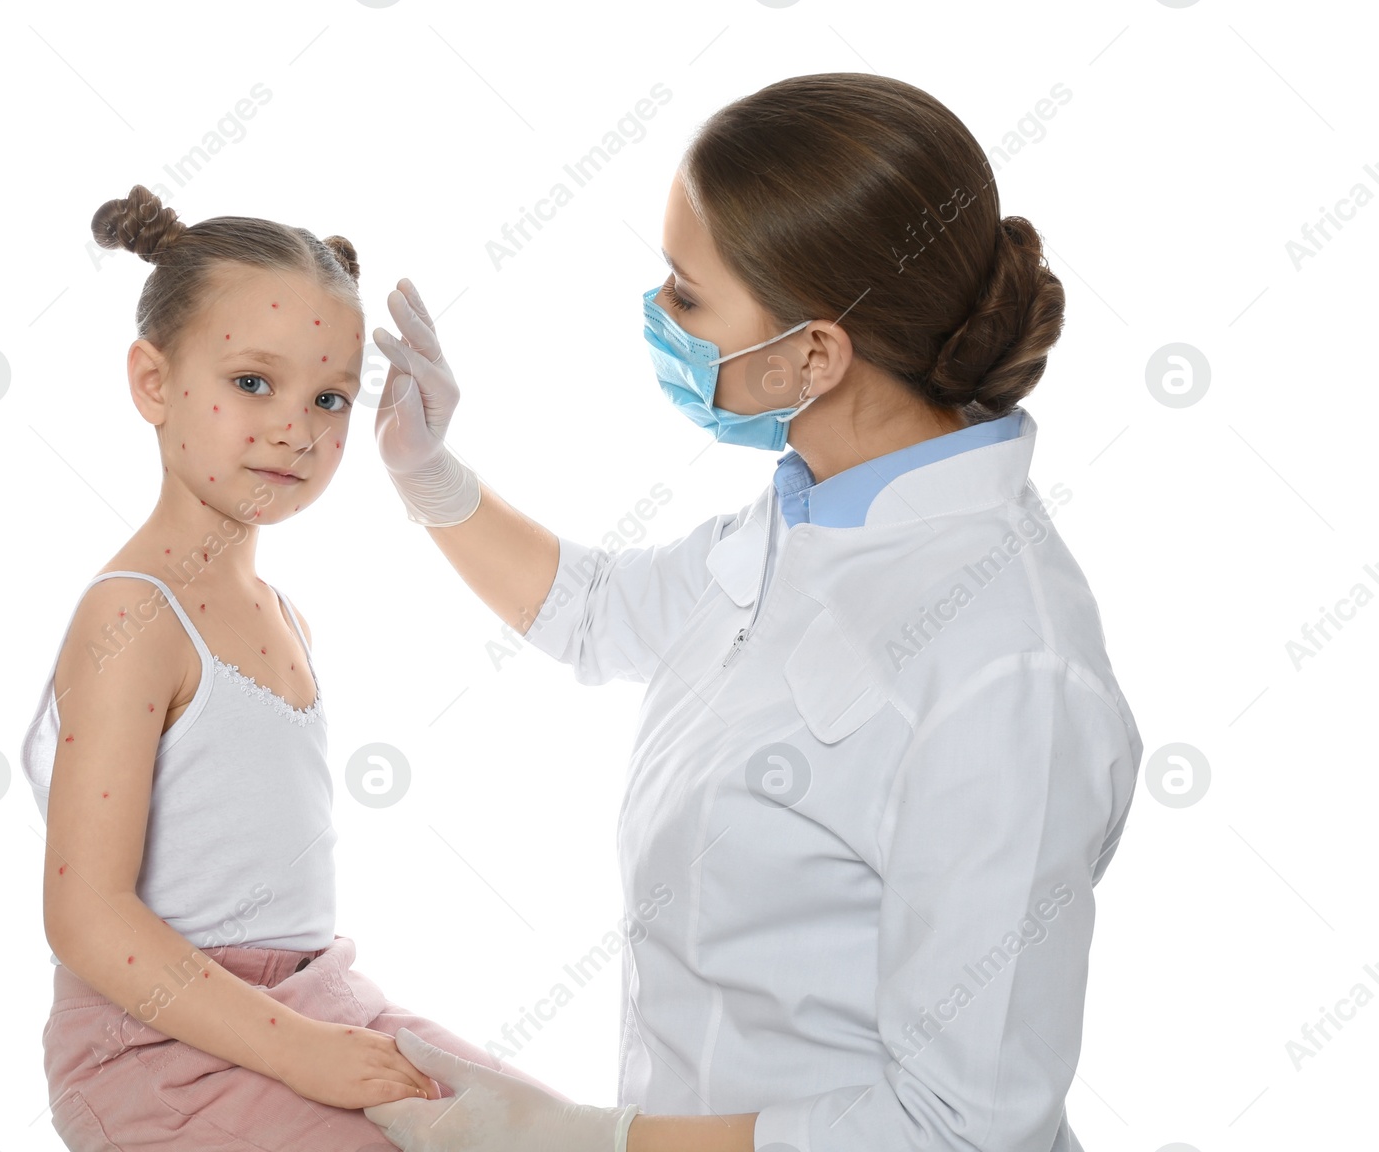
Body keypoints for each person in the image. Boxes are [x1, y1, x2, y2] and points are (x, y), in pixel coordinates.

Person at [360, 72, 1141, 1152]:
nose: (656, 315)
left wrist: (585, 1142)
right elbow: (597, 613)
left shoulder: (1005, 671)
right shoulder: (813, 509)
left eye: (685, 295)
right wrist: (427, 475)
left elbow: (965, 1133)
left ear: (814, 352)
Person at [19, 185, 566, 1150]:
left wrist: (322, 1032)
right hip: (156, 1049)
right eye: (252, 384)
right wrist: (303, 1053)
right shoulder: (134, 617)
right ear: (154, 382)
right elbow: (87, 918)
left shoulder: (285, 619)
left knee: (541, 1133)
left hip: (313, 999)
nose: (298, 429)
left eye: (330, 398)